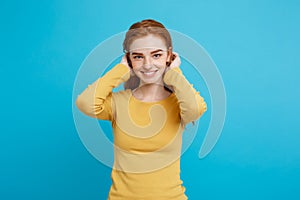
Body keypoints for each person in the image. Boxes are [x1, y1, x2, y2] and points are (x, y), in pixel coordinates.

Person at [76, 19, 207, 200]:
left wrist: (174, 73)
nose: (147, 65)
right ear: (129, 59)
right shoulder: (118, 103)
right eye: (138, 56)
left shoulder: (180, 103)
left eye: (156, 55)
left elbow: (195, 109)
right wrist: (121, 70)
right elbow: (85, 103)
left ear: (169, 56)